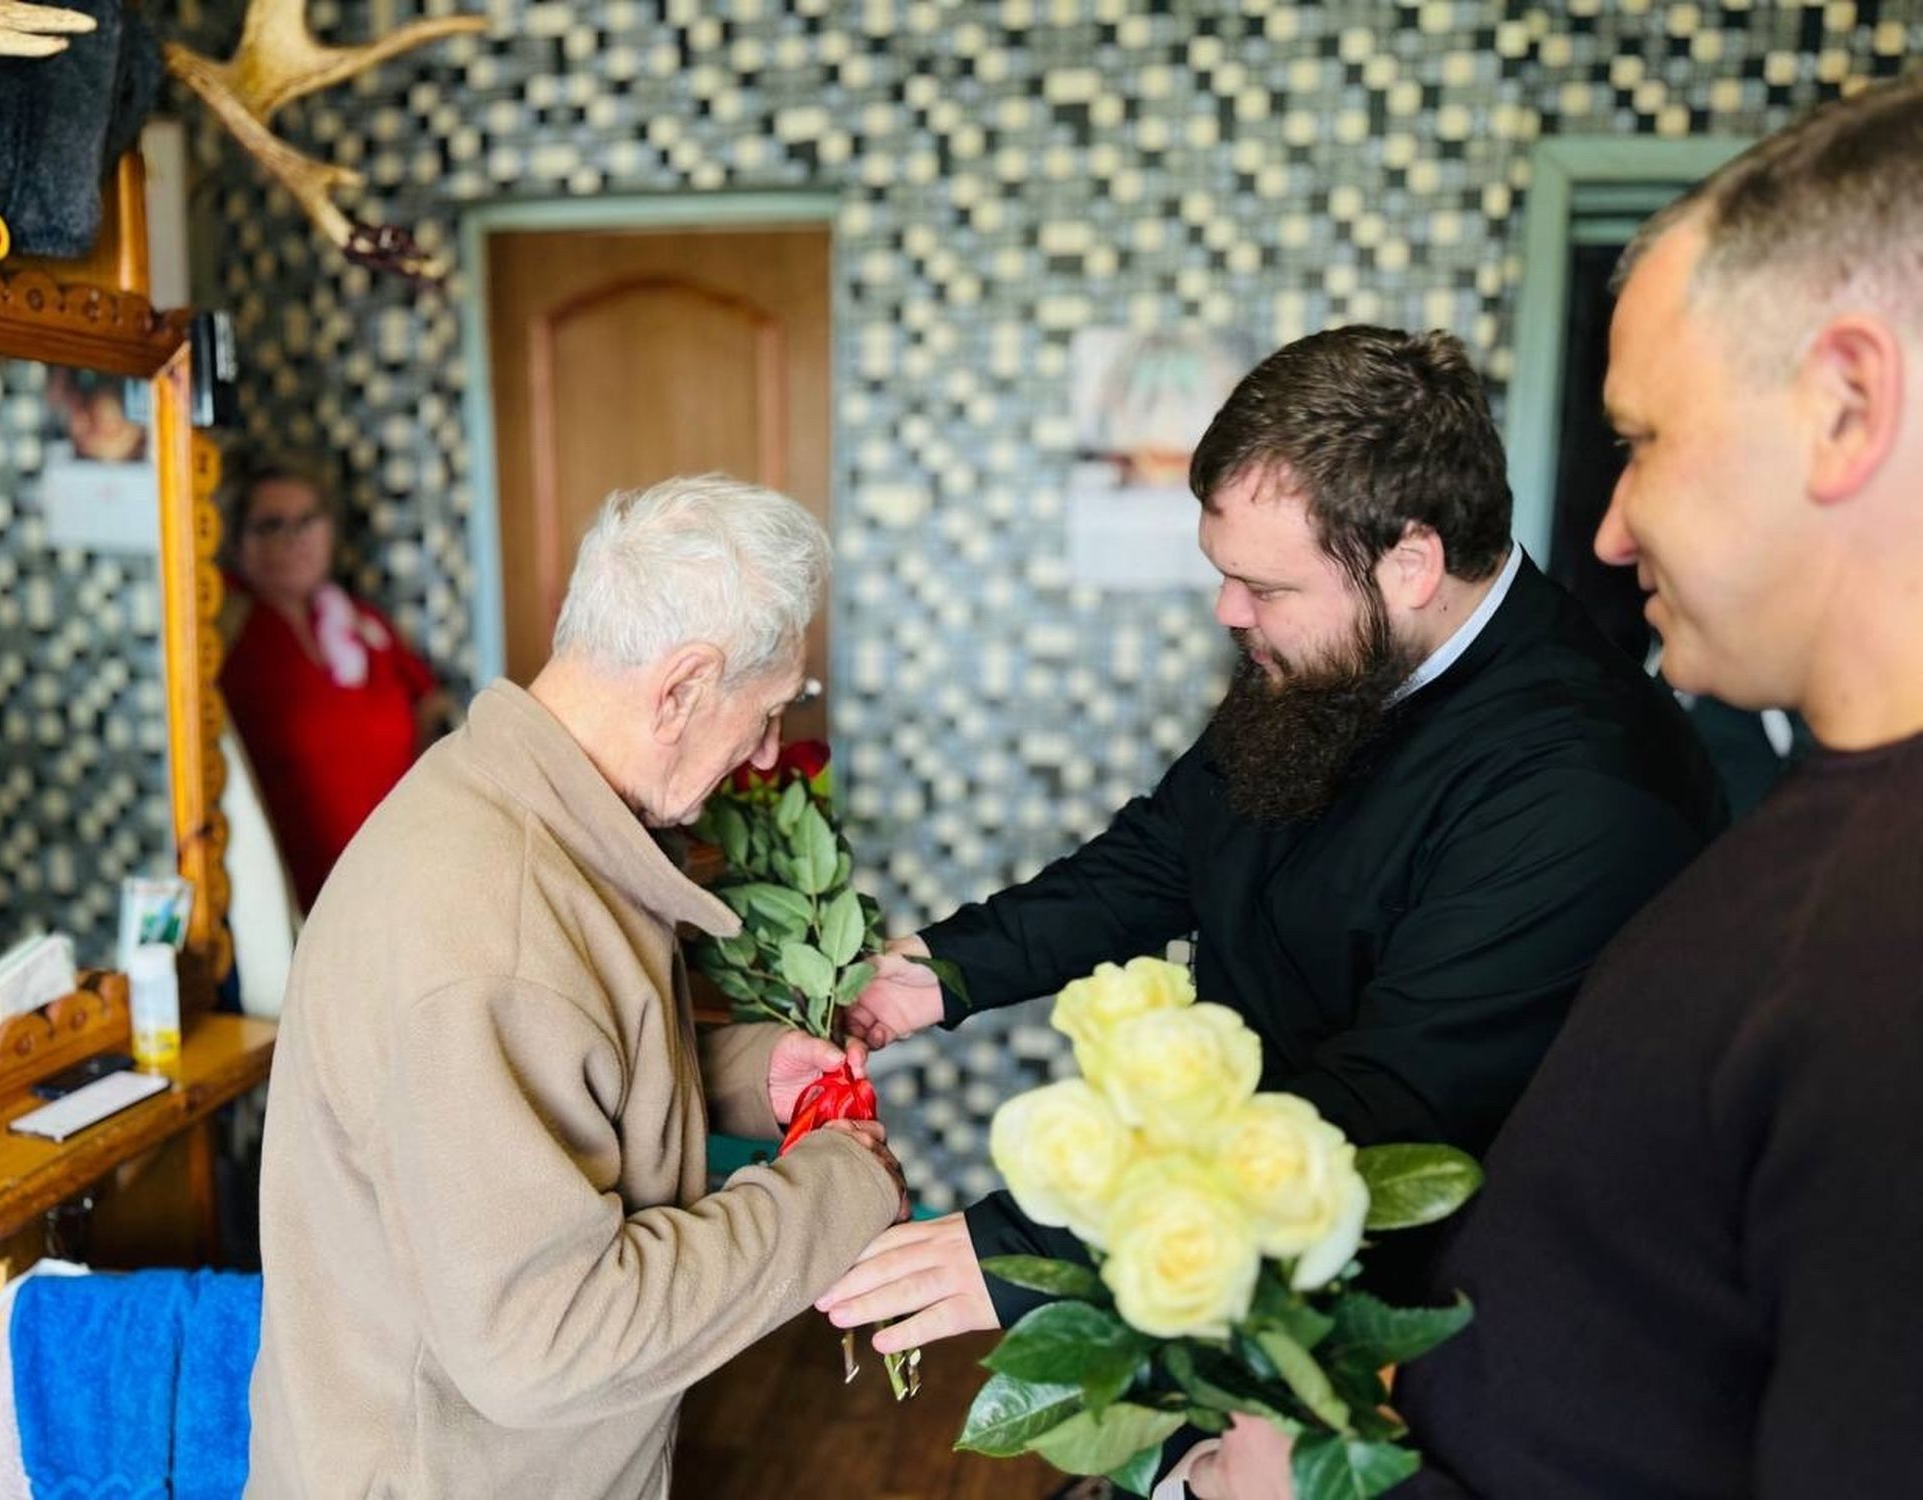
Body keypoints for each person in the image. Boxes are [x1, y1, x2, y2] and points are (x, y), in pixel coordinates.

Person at [1193, 73, 1923, 1499]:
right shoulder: (1820, 839)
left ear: (1846, 406)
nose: (1607, 527)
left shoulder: (1883, 944)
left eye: (1641, 441)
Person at [818, 328, 1725, 1388]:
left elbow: (1395, 1100)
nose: (1227, 611)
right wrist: (938, 974)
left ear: (1411, 564)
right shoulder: (1334, 652)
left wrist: (1042, 1246)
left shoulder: (1583, 782)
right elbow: (1165, 851)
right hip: (1241, 1259)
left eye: (1264, 587)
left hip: (1425, 1345)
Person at [245, 475, 909, 1499]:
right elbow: (546, 1341)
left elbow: (565, 1071)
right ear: (682, 689)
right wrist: (836, 1191)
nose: (767, 751)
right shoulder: (494, 930)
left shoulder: (505, 803)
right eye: (768, 711)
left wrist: (744, 1074)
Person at [219, 457, 457, 911]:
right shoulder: (226, 634)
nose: (294, 539)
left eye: (308, 520)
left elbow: (432, 712)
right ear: (238, 540)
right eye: (271, 525)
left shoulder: (363, 624)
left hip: (396, 885)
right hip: (290, 902)